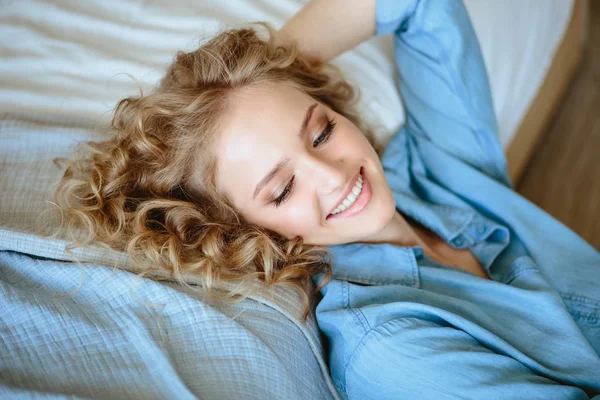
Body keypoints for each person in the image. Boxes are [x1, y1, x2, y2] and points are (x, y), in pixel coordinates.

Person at [54, 0, 600, 398]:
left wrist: (262, 79)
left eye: (320, 132)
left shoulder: (431, 171)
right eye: (283, 188)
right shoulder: (389, 347)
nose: (334, 175)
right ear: (241, 231)